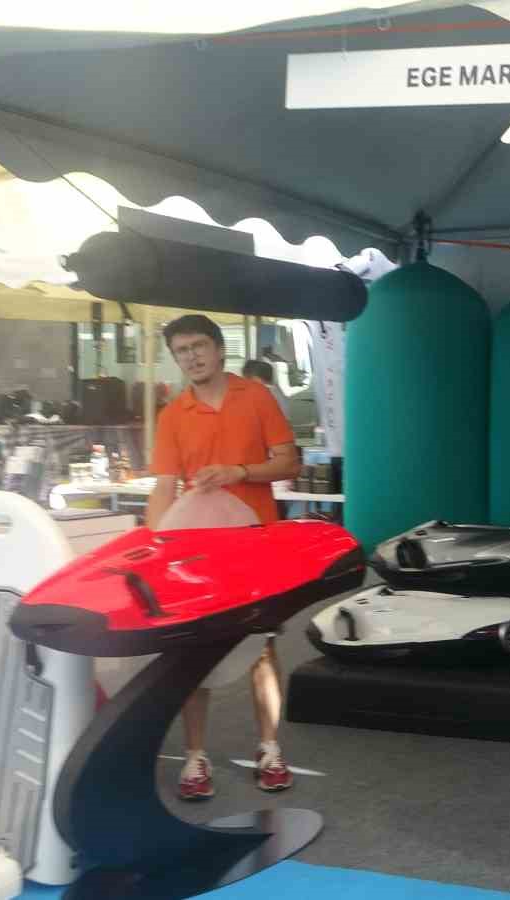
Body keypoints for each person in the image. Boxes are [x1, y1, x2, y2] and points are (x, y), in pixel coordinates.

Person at [149, 315, 302, 801]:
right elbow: (163, 487)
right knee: (194, 652)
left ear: (219, 349)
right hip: (197, 549)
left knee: (261, 648)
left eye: (198, 346)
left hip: (255, 542)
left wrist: (239, 471)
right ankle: (195, 758)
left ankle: (270, 749)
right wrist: (155, 546)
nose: (191, 356)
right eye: (181, 350)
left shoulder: (255, 396)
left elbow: (289, 462)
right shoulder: (173, 414)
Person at [242, 359, 294, 423]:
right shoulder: (275, 391)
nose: (244, 382)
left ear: (256, 378)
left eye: (247, 378)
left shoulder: (263, 394)